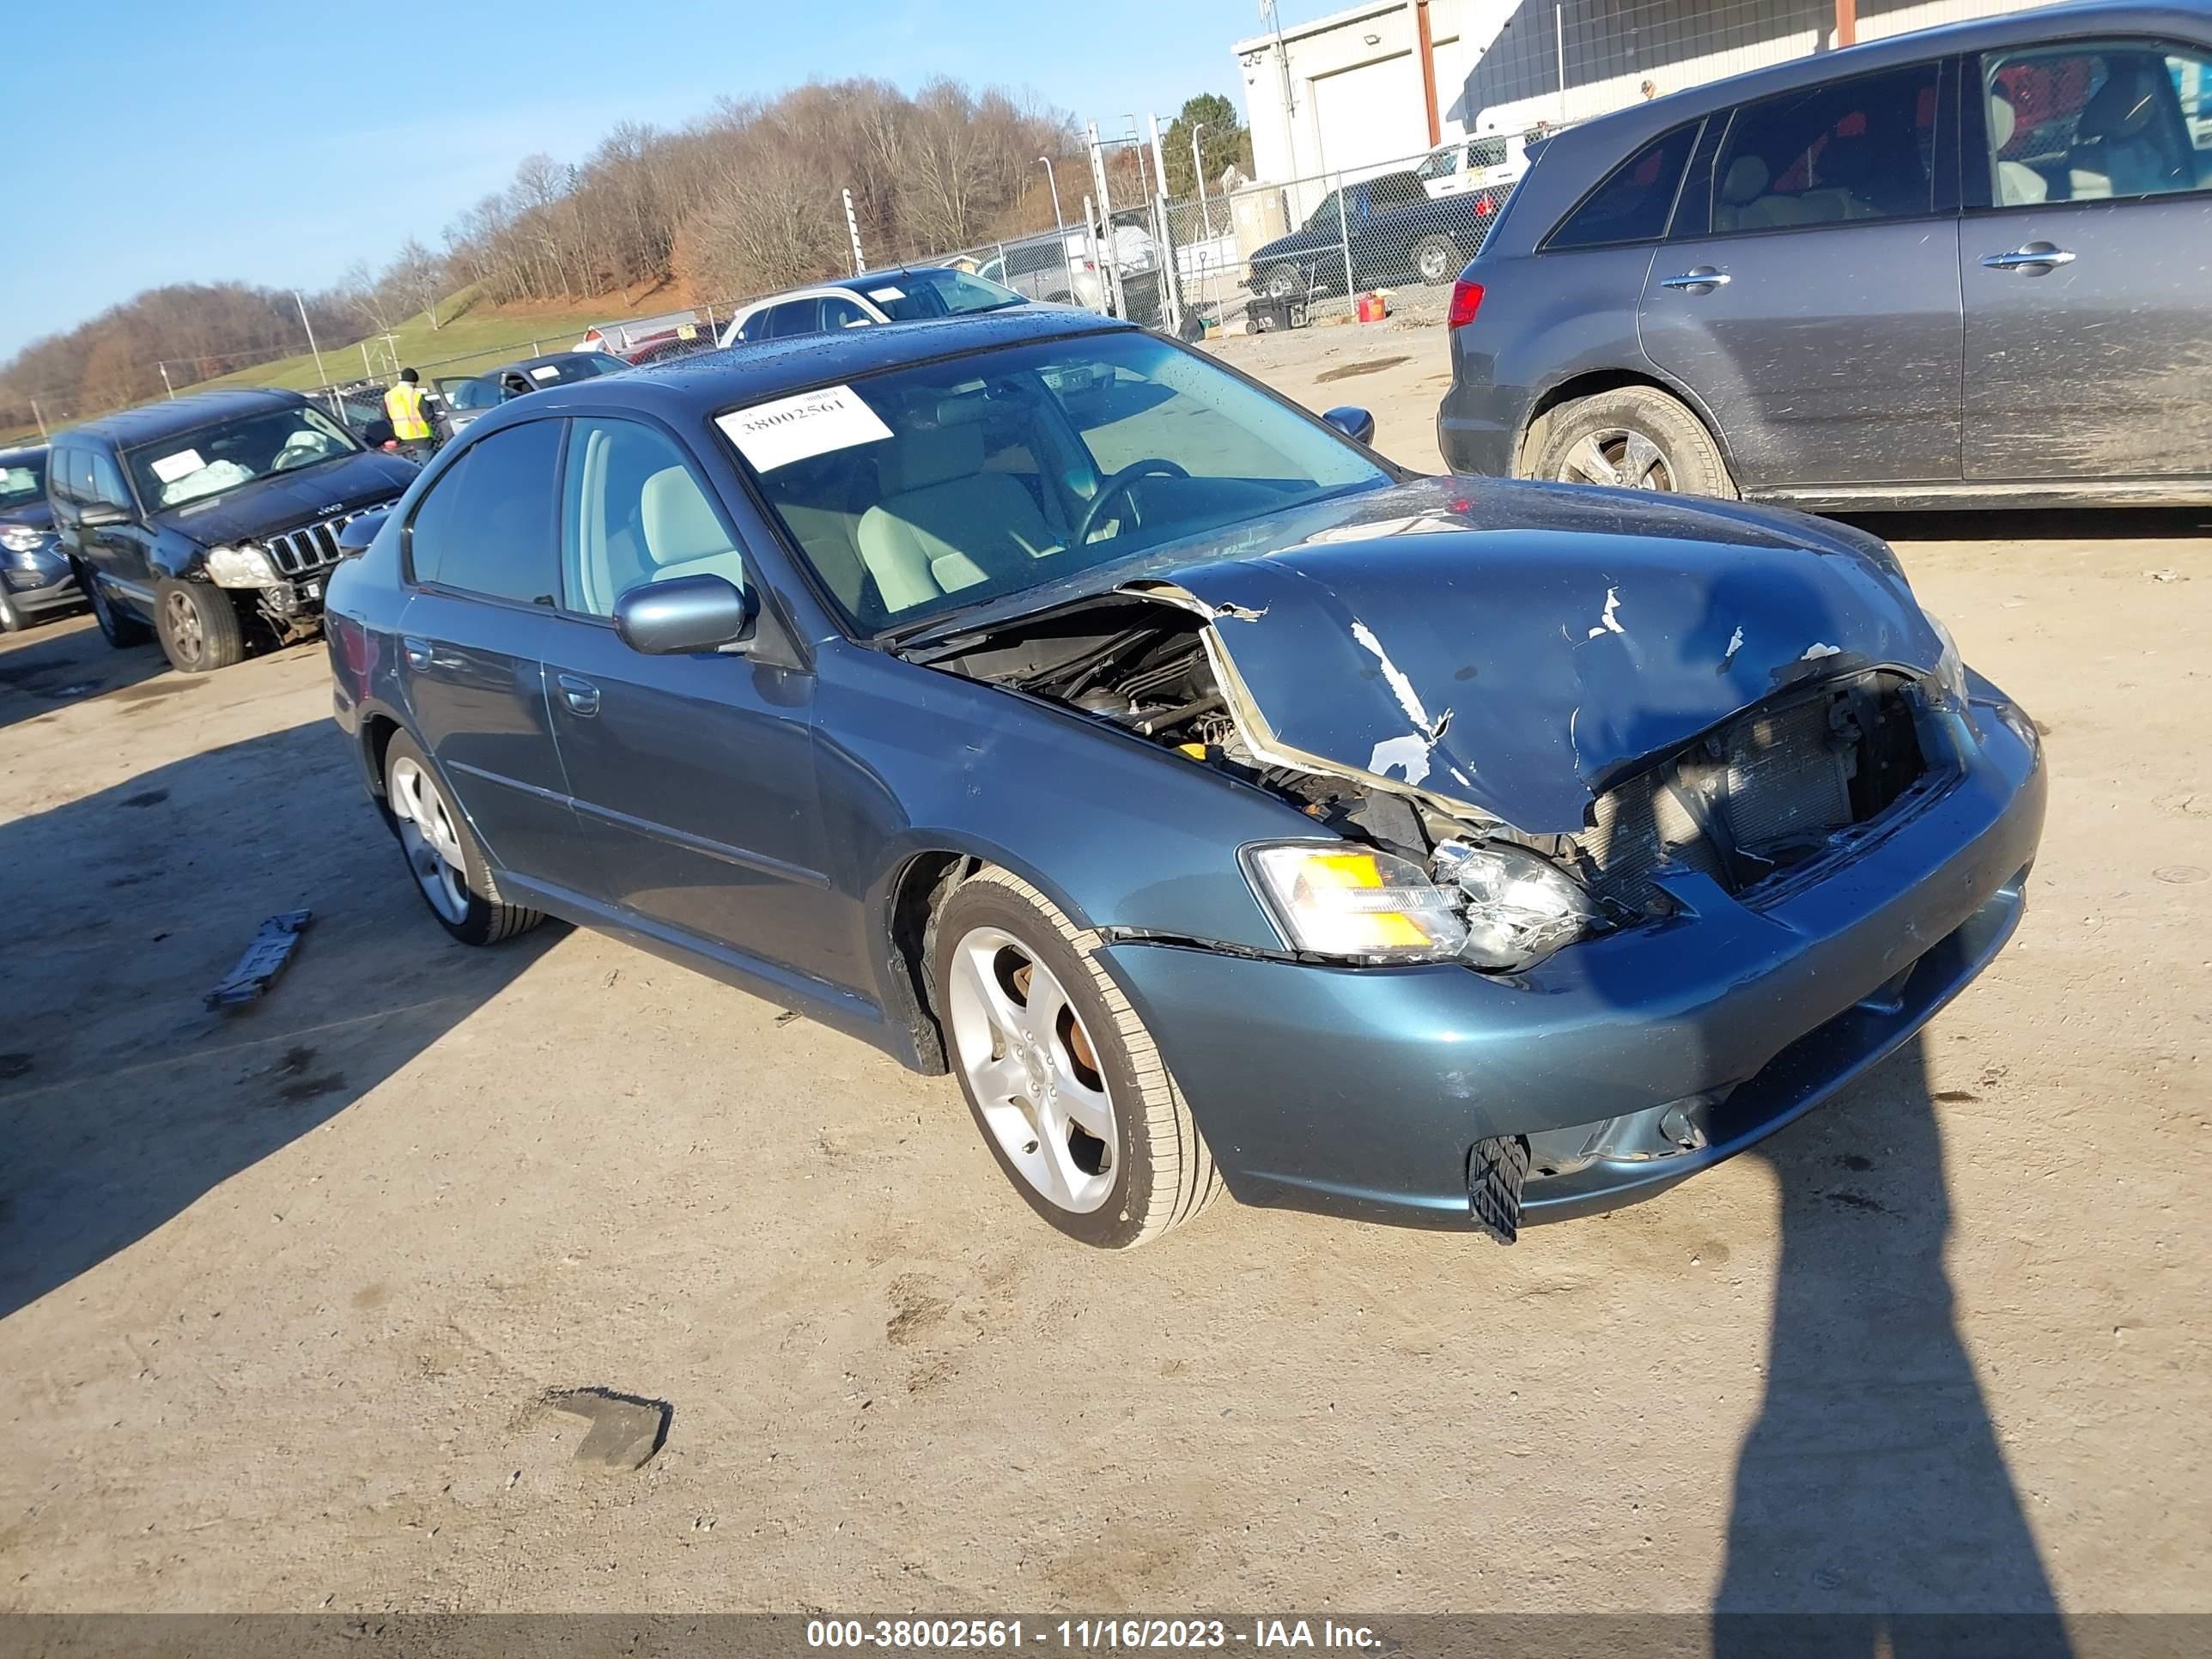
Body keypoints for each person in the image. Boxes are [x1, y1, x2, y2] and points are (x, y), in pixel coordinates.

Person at [383, 368, 438, 462]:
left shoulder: (388, 396)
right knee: (429, 467)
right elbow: (428, 415)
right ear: (414, 382)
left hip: (401, 438)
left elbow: (385, 418)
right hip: (421, 437)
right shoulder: (415, 395)